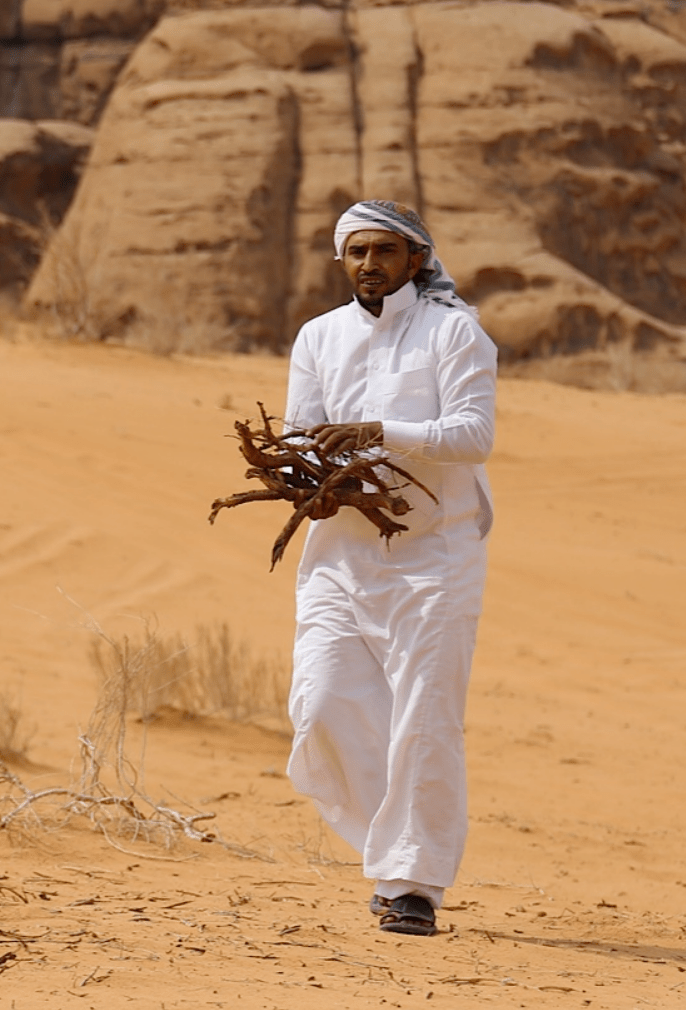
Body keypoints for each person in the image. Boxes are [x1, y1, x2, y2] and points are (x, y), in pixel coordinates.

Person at [283, 200, 497, 936]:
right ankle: (394, 847)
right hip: (341, 554)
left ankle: (412, 884)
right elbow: (299, 437)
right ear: (341, 261)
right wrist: (304, 485)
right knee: (320, 703)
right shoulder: (318, 337)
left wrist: (379, 431)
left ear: (415, 258)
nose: (369, 265)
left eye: (384, 251)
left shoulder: (454, 332)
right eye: (355, 253)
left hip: (436, 555)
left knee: (425, 719)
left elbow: (472, 435)